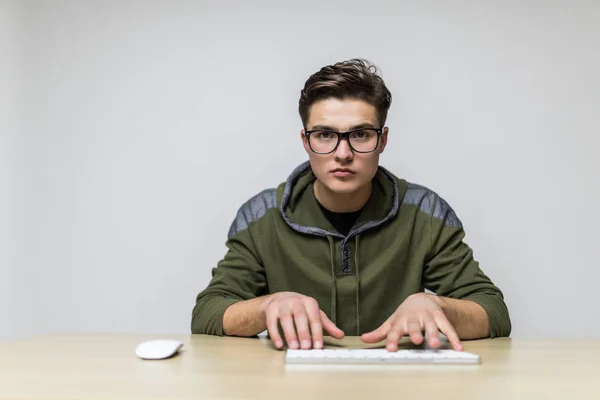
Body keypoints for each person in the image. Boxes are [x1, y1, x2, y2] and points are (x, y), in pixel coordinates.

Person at [191, 58, 511, 352]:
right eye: (325, 135)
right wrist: (266, 307)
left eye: (360, 134)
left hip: (396, 383)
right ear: (306, 141)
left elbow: (494, 312)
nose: (343, 153)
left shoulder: (425, 213)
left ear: (382, 140)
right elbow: (207, 313)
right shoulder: (261, 217)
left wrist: (441, 307)